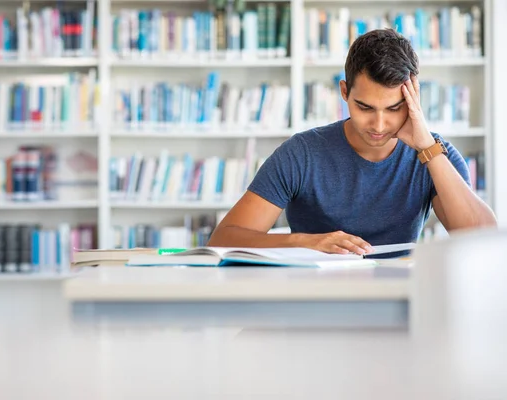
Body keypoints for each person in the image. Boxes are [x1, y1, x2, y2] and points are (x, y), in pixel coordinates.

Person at [207, 28, 497, 256]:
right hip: (313, 303)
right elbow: (223, 239)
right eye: (365, 107)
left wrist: (427, 149)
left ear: (413, 100)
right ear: (344, 92)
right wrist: (304, 242)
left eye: (394, 108)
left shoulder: (433, 154)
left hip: (399, 302)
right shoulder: (302, 154)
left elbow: (482, 239)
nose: (379, 125)